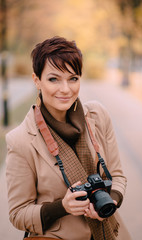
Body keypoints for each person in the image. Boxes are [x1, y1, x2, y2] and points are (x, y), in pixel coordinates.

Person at [6, 36, 132, 240]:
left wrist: (110, 201)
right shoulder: (20, 140)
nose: (65, 89)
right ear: (36, 80)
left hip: (108, 231)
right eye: (53, 79)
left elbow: (117, 176)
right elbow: (18, 214)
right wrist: (62, 207)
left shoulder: (98, 117)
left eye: (73, 78)